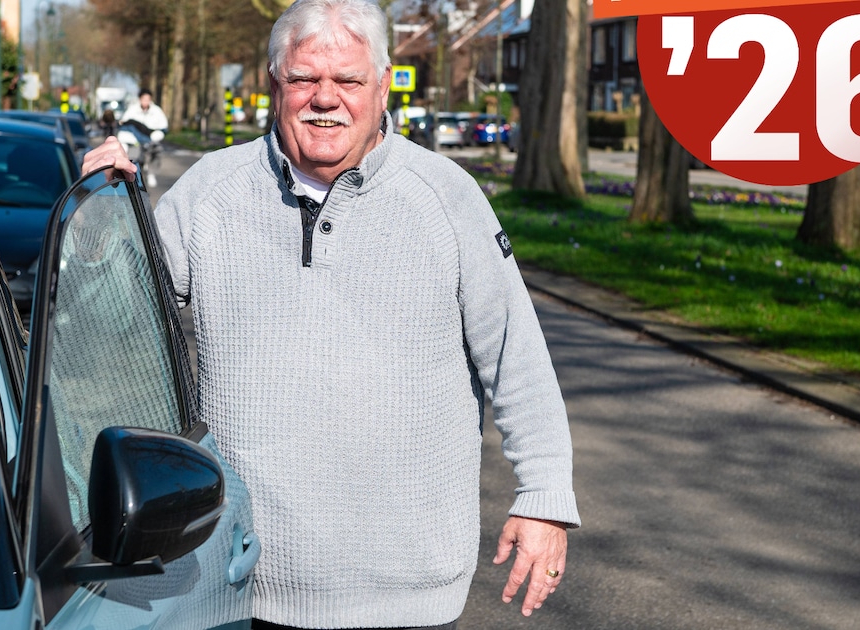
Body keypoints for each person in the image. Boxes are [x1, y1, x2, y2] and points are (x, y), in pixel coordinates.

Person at [81, 1, 579, 628]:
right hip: (240, 587)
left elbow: (516, 358)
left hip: (407, 596)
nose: (325, 98)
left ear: (382, 85)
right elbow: (108, 330)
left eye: (347, 80)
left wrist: (544, 497)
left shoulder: (448, 197)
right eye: (303, 79)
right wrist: (105, 223)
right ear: (274, 83)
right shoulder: (208, 193)